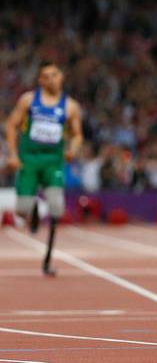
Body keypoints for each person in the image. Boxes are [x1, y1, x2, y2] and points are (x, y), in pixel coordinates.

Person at [5, 62, 84, 276]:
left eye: (55, 74)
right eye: (46, 76)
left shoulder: (70, 106)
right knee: (21, 211)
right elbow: (11, 125)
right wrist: (12, 154)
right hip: (29, 160)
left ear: (62, 77)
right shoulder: (29, 100)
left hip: (53, 162)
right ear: (40, 80)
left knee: (57, 208)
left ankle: (48, 259)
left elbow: (77, 134)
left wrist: (73, 149)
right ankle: (33, 210)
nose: (51, 79)